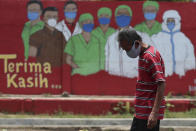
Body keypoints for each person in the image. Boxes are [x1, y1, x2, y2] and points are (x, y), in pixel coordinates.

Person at [118, 29, 166, 131]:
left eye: (127, 49)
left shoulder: (150, 57)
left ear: (136, 43)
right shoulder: (142, 55)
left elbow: (161, 84)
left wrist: (154, 113)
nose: (127, 52)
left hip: (148, 112)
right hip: (142, 110)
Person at [105, 5, 153, 78]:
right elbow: (107, 62)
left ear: (130, 17)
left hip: (135, 79)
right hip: (114, 80)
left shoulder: (143, 37)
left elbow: (152, 56)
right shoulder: (110, 39)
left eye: (125, 15)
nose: (122, 16)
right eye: (119, 14)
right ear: (115, 18)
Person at [151, 10, 195, 77]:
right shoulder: (157, 38)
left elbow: (190, 57)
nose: (170, 23)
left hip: (181, 76)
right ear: (165, 22)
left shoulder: (183, 38)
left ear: (176, 22)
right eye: (168, 21)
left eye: (172, 21)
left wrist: (185, 69)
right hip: (162, 76)